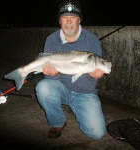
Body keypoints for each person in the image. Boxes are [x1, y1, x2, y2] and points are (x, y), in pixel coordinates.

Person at [35, 0, 106, 140]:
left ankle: (78, 108)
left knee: (97, 134)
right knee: (43, 87)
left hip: (85, 93)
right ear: (59, 21)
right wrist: (50, 73)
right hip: (60, 88)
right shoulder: (51, 39)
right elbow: (49, 79)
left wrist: (94, 75)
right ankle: (57, 122)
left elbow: (92, 80)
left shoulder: (92, 40)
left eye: (72, 17)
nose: (68, 21)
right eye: (64, 17)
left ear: (79, 20)